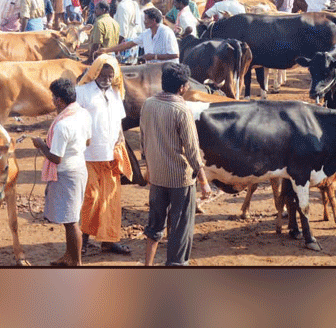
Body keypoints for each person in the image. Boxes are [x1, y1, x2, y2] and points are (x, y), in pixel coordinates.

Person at [141, 63, 211, 266]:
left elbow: (144, 138)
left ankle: (147, 265)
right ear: (182, 87)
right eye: (187, 84)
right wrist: (204, 181)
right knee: (180, 228)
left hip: (157, 176)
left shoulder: (148, 104)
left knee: (154, 226)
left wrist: (148, 168)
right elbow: (192, 150)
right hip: (180, 179)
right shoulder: (182, 110)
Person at [74, 55, 133, 257]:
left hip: (111, 154)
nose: (106, 78)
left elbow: (118, 122)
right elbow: (74, 119)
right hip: (88, 155)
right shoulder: (81, 92)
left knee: (111, 199)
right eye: (103, 74)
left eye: (110, 75)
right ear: (95, 72)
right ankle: (82, 240)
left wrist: (121, 140)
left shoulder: (116, 93)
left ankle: (109, 241)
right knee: (91, 197)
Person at [31, 78, 92, 266]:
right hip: (79, 168)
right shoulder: (83, 113)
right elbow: (88, 142)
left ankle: (77, 262)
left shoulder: (62, 125)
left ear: (59, 101)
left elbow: (56, 158)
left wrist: (41, 145)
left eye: (53, 97)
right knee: (69, 219)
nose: (52, 100)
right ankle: (69, 256)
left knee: (72, 221)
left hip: (67, 173)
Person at [101, 8, 179, 64]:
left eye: (146, 19)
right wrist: (106, 50)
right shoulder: (146, 33)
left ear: (153, 21)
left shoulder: (166, 32)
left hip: (168, 70)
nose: (144, 22)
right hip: (152, 70)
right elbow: (128, 45)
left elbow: (175, 55)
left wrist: (154, 57)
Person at [87, 1, 119, 65]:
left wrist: (90, 59)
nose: (94, 10)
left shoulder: (99, 23)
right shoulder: (115, 22)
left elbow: (96, 44)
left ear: (103, 10)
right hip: (112, 56)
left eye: (97, 8)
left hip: (102, 58)